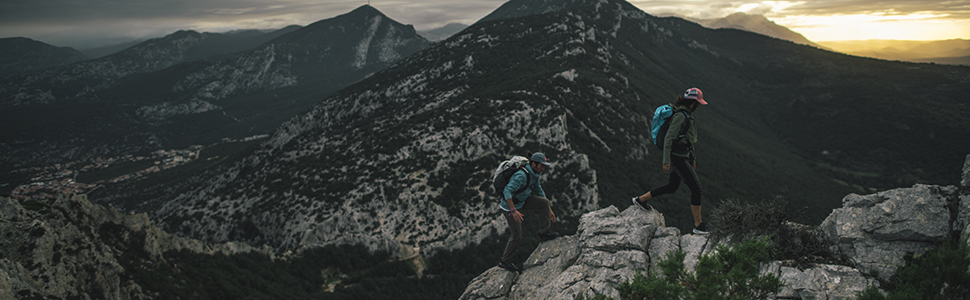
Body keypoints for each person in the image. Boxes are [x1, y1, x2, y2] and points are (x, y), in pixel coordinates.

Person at [633, 88, 710, 234]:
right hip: (677, 158)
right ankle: (698, 225)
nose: (699, 106)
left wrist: (692, 159)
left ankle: (641, 200)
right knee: (697, 189)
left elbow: (688, 141)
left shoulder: (687, 115)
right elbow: (669, 138)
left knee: (672, 187)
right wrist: (666, 161)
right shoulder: (681, 116)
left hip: (682, 157)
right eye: (698, 103)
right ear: (691, 103)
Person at [497, 152, 558, 272]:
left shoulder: (534, 174)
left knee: (544, 202)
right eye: (541, 165)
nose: (543, 168)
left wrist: (550, 210)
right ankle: (504, 261)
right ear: (534, 164)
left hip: (522, 201)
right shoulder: (521, 175)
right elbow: (507, 192)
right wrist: (513, 211)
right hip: (510, 207)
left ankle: (543, 232)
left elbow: (539, 191)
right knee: (517, 236)